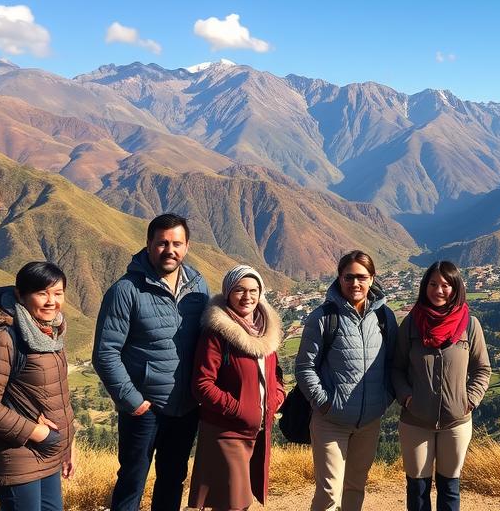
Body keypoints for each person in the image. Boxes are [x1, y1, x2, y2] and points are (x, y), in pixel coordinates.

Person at [93, 213, 210, 511]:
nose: (169, 250)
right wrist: (132, 400)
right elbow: (105, 352)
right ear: (148, 244)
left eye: (177, 243)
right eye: (162, 243)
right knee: (132, 480)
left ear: (187, 246)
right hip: (144, 408)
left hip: (185, 407)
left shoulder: (199, 287)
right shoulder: (126, 291)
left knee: (172, 479)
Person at [0, 261, 76, 511]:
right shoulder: (2, 337)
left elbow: (55, 396)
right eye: (42, 293)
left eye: (58, 293)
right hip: (14, 454)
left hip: (46, 451)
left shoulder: (49, 333)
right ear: (20, 295)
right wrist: (40, 434)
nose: (51, 301)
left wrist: (66, 443)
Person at [295, 250, 397, 511]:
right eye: (348, 277)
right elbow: (305, 368)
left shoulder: (385, 318)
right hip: (331, 421)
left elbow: (393, 364)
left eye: (361, 277)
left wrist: (383, 401)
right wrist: (327, 404)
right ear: (339, 279)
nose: (355, 283)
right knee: (329, 492)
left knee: (355, 487)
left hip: (369, 422)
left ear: (372, 279)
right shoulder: (323, 318)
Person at [392, 261, 491, 511]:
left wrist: (469, 400)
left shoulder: (470, 325)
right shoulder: (411, 324)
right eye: (433, 284)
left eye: (446, 284)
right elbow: (396, 369)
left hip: (456, 423)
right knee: (418, 489)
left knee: (449, 487)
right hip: (415, 422)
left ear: (456, 288)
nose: (439, 290)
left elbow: (482, 369)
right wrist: (407, 398)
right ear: (425, 286)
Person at [188, 265, 285, 511]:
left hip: (258, 430)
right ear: (227, 293)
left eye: (253, 290)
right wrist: (239, 409)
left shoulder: (266, 330)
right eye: (239, 290)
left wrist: (276, 399)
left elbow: (275, 374)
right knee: (232, 502)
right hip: (226, 431)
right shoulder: (217, 332)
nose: (247, 297)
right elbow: (202, 384)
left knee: (240, 501)